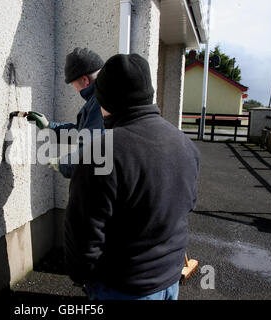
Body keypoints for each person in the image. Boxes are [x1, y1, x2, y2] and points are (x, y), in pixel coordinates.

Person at [64, 53, 200, 300]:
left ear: (107, 101)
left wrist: (83, 277)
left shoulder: (101, 152)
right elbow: (187, 205)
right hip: (169, 279)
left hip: (124, 286)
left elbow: (83, 234)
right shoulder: (185, 144)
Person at [25, 47, 105, 178]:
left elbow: (89, 155)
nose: (75, 89)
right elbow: (81, 134)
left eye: (73, 84)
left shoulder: (99, 104)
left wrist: (62, 164)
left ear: (85, 80)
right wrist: (49, 126)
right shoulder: (99, 100)